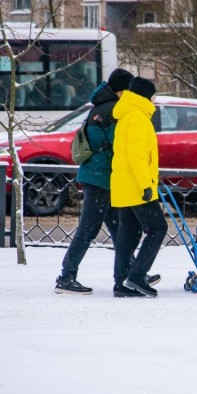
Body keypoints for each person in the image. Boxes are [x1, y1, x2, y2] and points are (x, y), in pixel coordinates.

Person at [55, 68, 160, 297]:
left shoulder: (99, 107)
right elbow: (120, 144)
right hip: (101, 177)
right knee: (89, 229)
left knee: (119, 228)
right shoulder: (113, 111)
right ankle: (66, 276)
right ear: (122, 90)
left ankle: (131, 273)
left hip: (99, 175)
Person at [111, 76, 168, 297]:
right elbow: (137, 157)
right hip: (136, 186)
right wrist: (146, 185)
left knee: (129, 233)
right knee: (157, 228)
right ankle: (137, 275)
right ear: (145, 96)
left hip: (123, 186)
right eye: (153, 95)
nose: (155, 100)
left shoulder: (125, 116)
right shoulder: (138, 118)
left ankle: (121, 281)